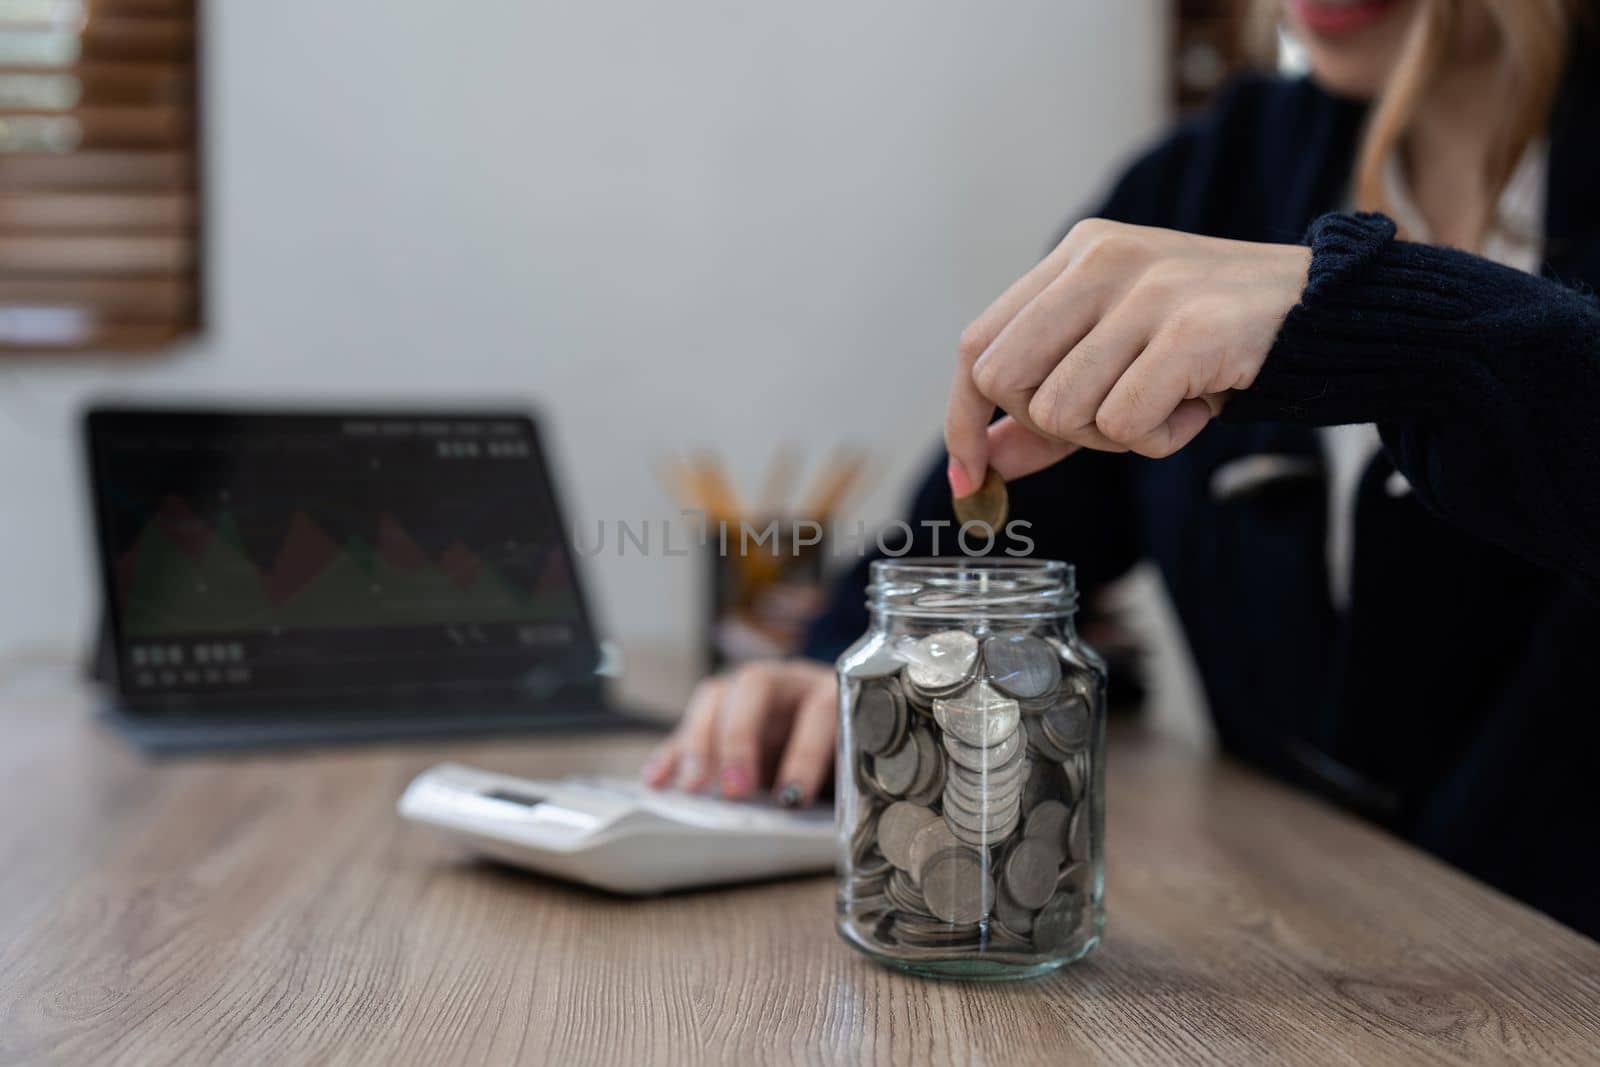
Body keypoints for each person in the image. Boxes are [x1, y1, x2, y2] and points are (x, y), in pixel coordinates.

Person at [642, 0, 1600, 938]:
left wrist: (1392, 325)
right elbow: (998, 513)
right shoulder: (1211, 180)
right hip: (1290, 968)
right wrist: (837, 661)